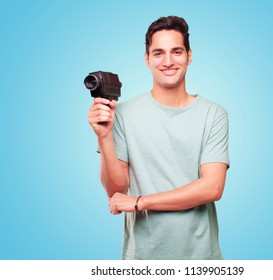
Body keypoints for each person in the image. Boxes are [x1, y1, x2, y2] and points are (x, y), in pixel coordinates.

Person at [88, 16, 230, 260]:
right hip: (142, 257)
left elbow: (212, 187)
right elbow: (116, 190)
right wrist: (104, 136)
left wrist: (140, 202)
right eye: (158, 53)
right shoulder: (122, 114)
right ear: (147, 59)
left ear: (189, 56)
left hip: (200, 258)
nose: (168, 61)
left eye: (176, 51)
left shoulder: (213, 114)